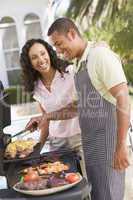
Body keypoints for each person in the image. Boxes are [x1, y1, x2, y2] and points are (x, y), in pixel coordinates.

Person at [26, 18, 130, 200]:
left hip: (108, 147)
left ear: (72, 34)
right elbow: (77, 107)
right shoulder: (79, 65)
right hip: (92, 147)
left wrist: (121, 146)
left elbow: (123, 97)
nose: (57, 51)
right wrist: (47, 117)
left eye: (59, 44)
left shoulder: (99, 55)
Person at [20, 38, 82, 154]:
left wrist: (46, 117)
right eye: (34, 58)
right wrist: (37, 150)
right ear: (30, 63)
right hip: (57, 143)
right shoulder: (36, 87)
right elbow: (46, 121)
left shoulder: (70, 72)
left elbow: (77, 108)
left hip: (80, 139)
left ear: (49, 53)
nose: (41, 60)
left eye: (43, 53)